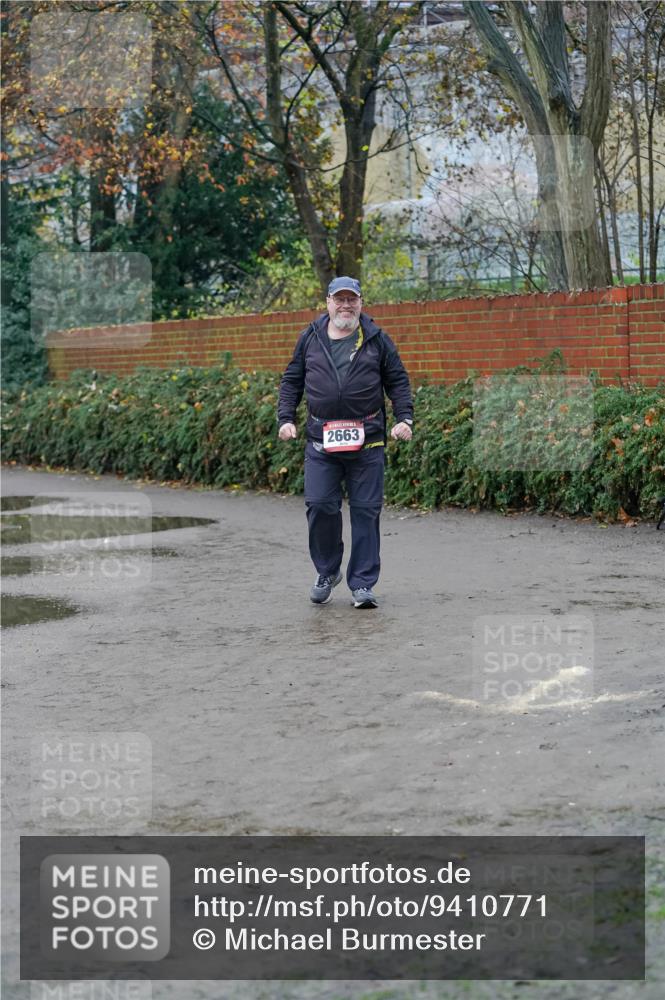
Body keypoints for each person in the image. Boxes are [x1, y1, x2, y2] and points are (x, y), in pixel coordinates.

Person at [277, 276, 413, 609]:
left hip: (368, 442)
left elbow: (398, 380)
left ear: (361, 303)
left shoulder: (378, 339)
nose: (345, 305)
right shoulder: (309, 338)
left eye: (351, 299)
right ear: (328, 303)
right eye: (339, 299)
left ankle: (363, 584)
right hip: (321, 441)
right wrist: (285, 419)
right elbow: (292, 380)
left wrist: (405, 419)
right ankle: (327, 571)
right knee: (320, 505)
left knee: (366, 512)